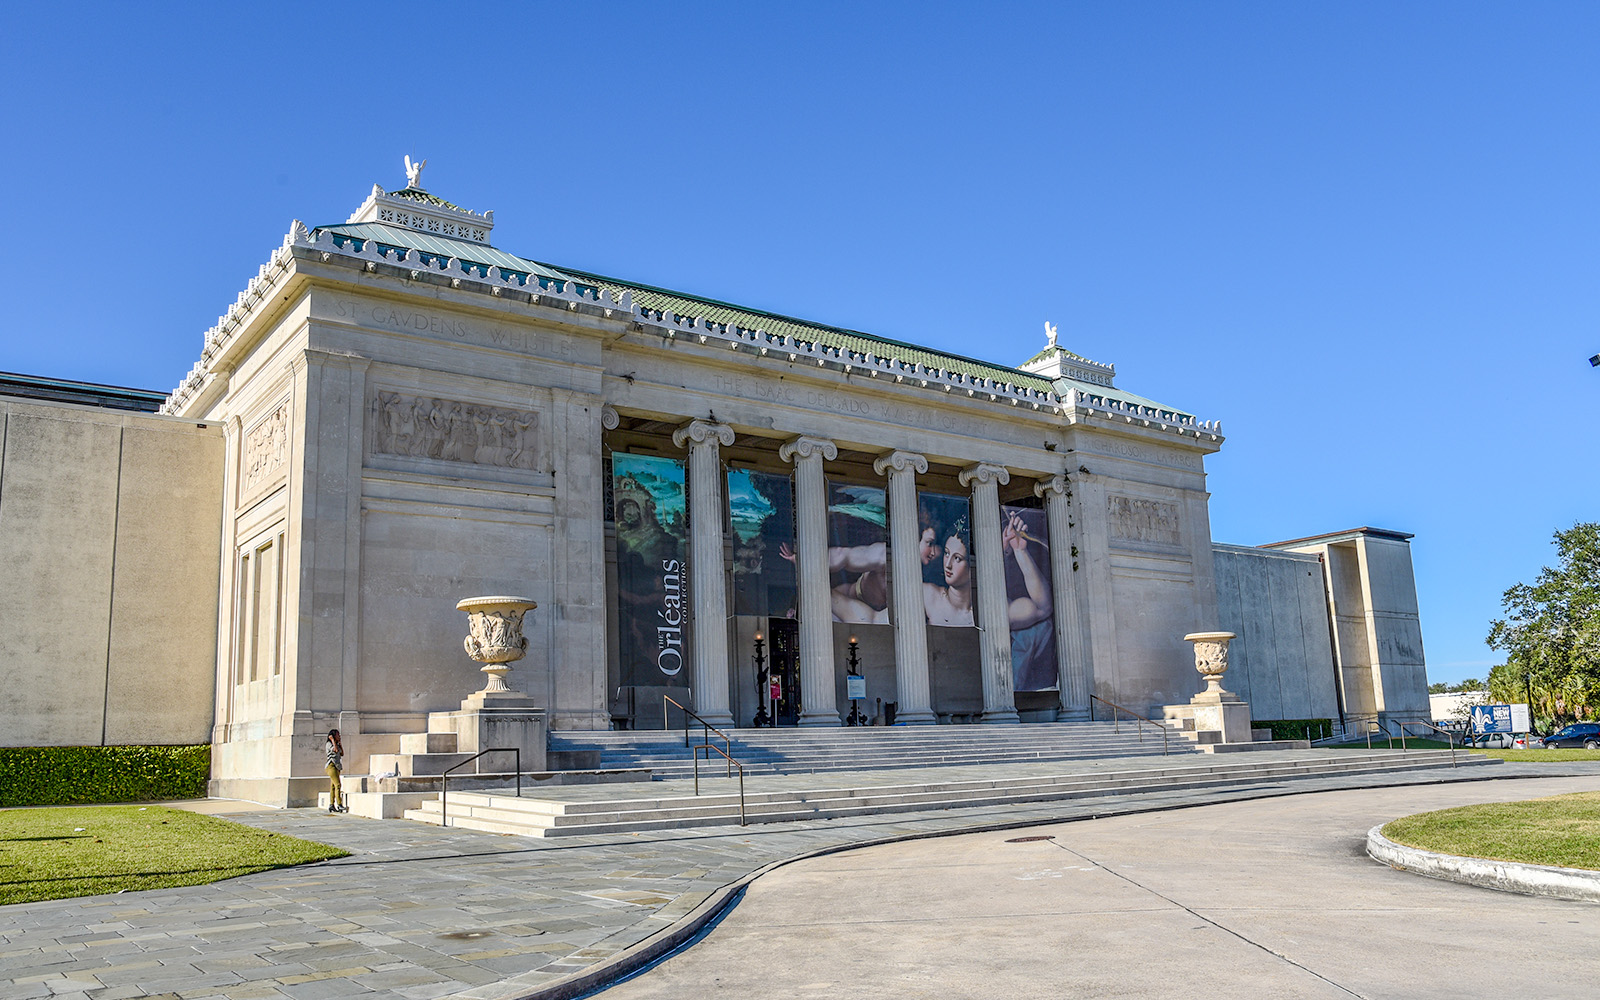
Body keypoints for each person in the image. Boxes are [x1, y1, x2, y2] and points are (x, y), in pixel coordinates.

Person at [923, 520, 975, 626]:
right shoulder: (928, 594)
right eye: (947, 553)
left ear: (972, 565)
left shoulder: (983, 608)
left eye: (957, 558)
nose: (948, 565)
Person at [325, 730, 345, 813]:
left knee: (333, 786)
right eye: (337, 735)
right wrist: (332, 740)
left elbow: (342, 753)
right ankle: (339, 804)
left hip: (337, 766)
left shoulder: (336, 744)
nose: (339, 736)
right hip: (331, 766)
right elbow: (335, 750)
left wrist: (340, 743)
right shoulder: (329, 744)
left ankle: (331, 804)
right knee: (338, 785)